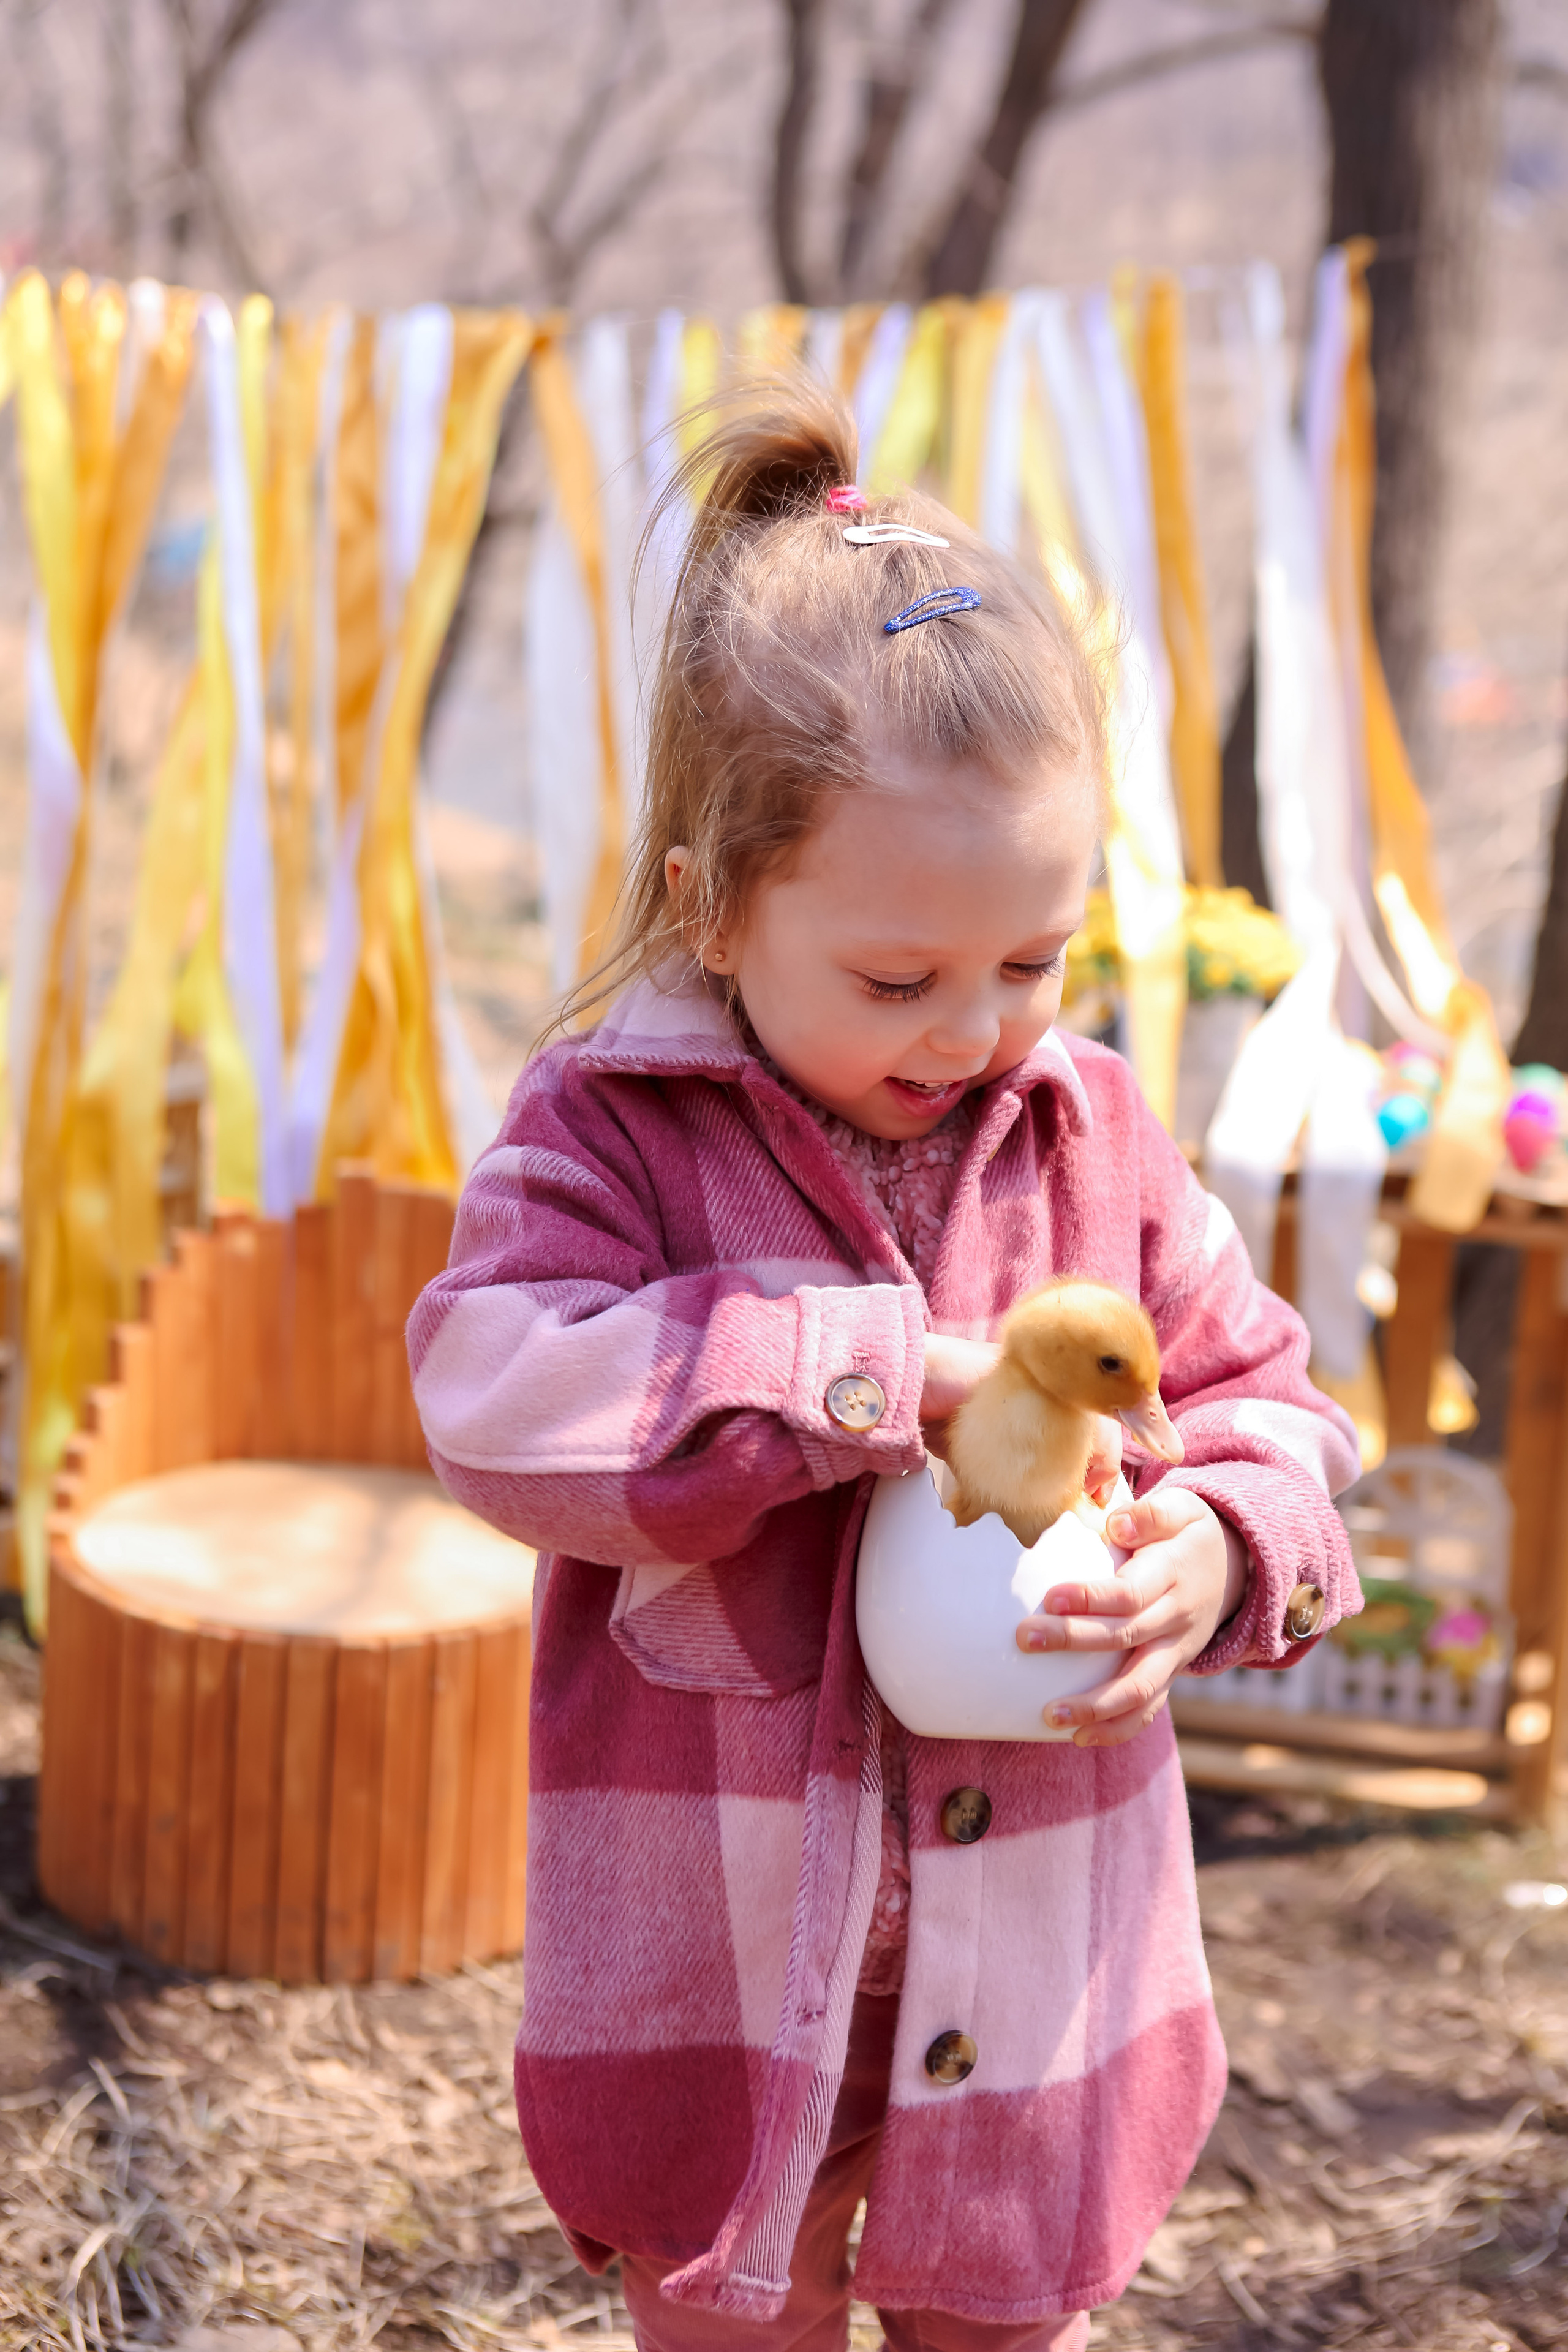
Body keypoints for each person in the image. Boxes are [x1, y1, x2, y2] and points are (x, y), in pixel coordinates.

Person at [410, 378, 1361, 2351]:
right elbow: (496, 1391)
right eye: (897, 978)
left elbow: (1270, 1394)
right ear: (714, 904)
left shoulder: (1094, 1140)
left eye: (1035, 962)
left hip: (1033, 1972)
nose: (974, 1031)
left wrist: (1214, 1549)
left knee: (997, 2301)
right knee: (731, 2301)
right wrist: (864, 1370)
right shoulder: (612, 1131)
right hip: (727, 1966)